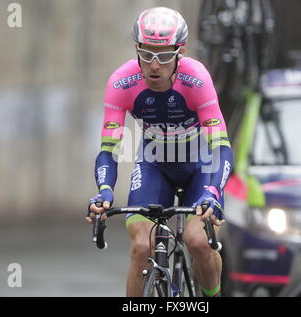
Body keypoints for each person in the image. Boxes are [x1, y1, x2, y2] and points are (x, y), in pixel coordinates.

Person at [87, 6, 233, 297]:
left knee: (196, 240)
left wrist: (213, 193)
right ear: (136, 49)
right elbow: (108, 150)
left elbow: (221, 147)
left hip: (199, 166)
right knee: (142, 245)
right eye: (147, 54)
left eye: (164, 55)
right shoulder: (121, 82)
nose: (154, 65)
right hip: (155, 163)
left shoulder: (197, 79)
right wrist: (104, 190)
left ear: (179, 52)